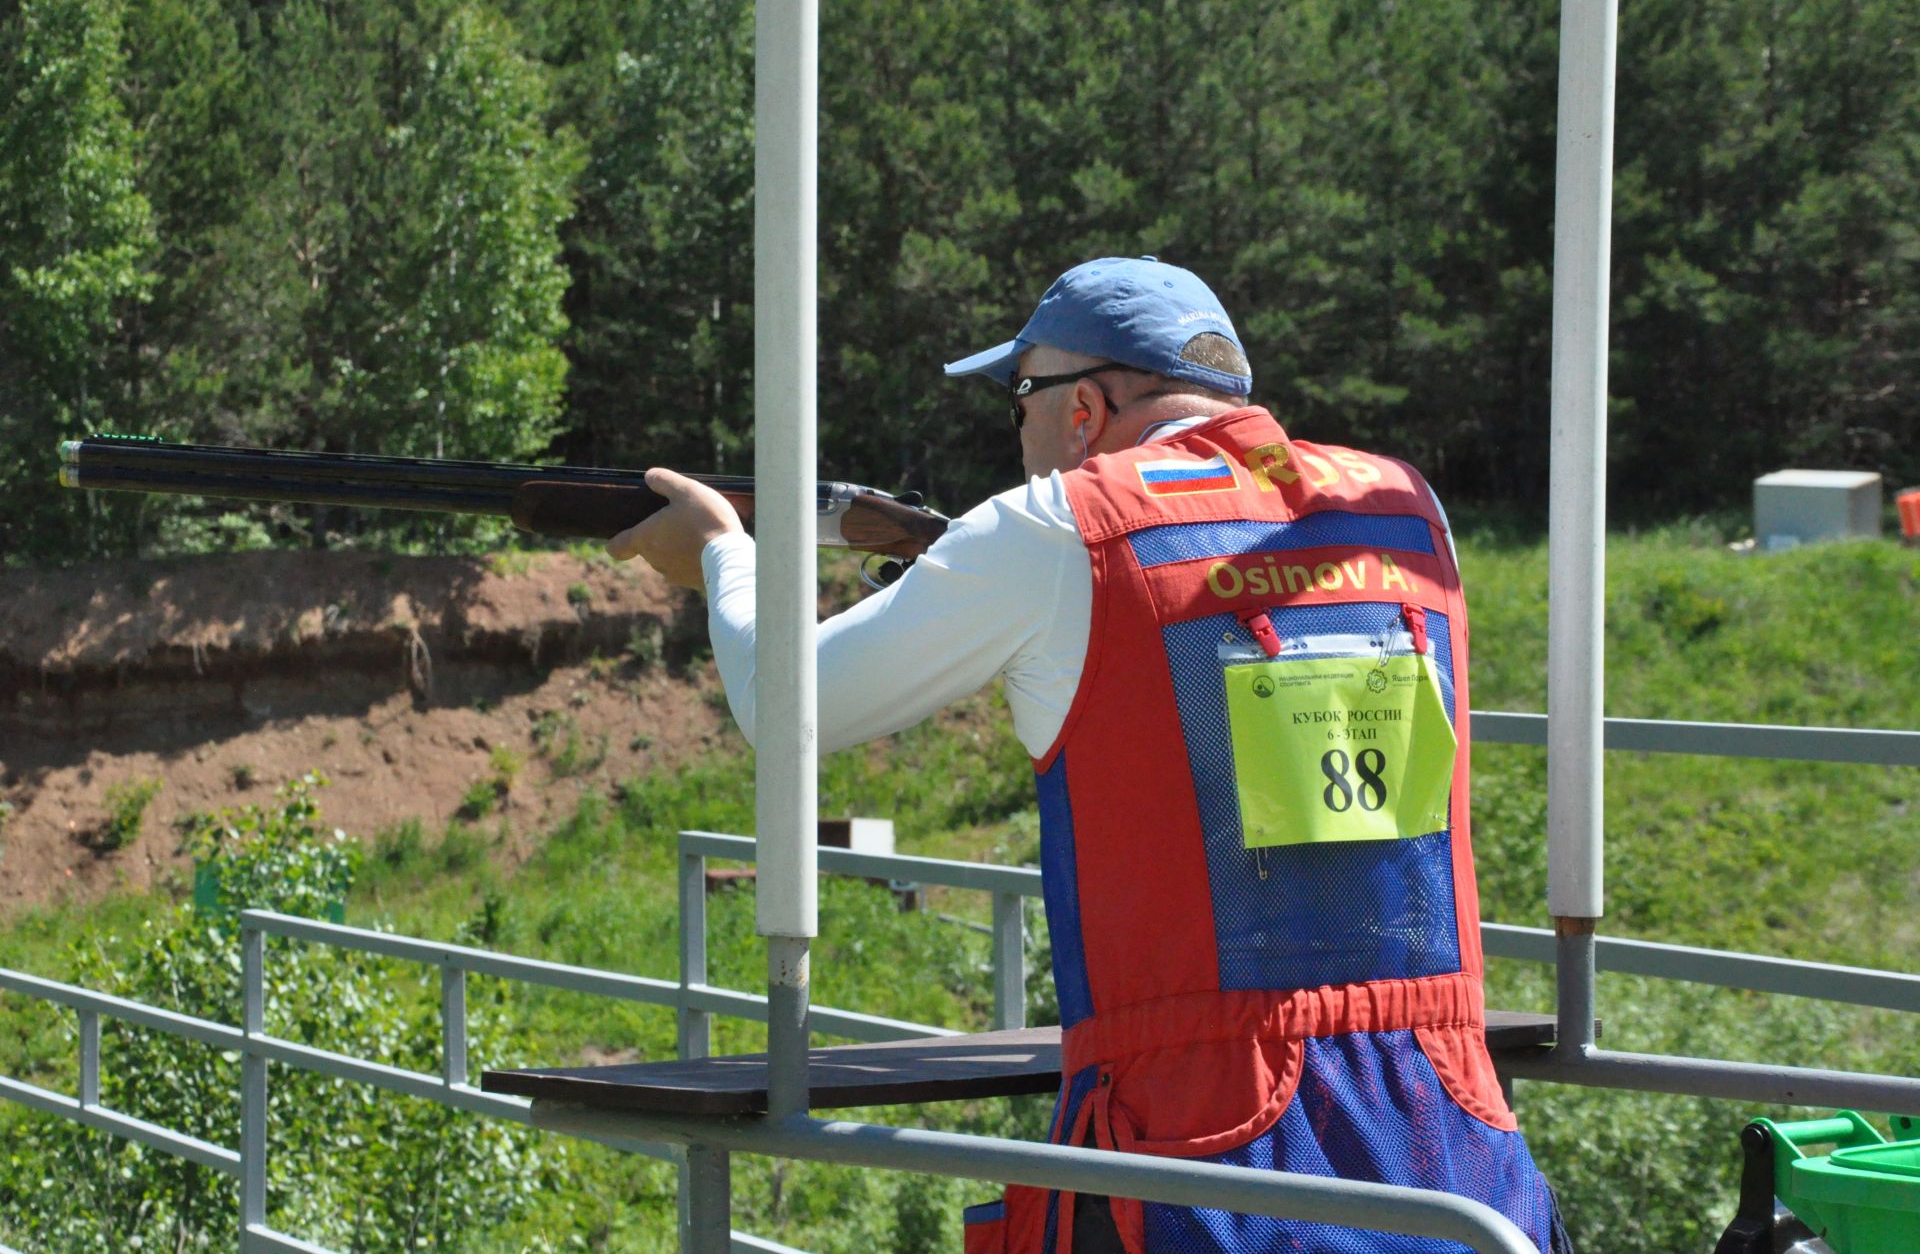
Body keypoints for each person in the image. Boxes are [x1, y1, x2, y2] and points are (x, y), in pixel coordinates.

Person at [610, 257, 1570, 1254]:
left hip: (1196, 1166)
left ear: (1084, 410)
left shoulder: (1065, 526)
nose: (1017, 434)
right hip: (1449, 1141)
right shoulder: (1404, 507)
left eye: (1021, 397)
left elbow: (784, 701)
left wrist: (723, 550)